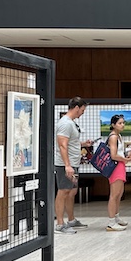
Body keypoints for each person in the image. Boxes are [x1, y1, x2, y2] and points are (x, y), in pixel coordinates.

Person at [54, 97, 92, 234]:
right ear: (76, 108)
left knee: (72, 191)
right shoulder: (65, 123)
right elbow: (62, 145)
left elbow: (70, 142)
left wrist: (83, 144)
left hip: (73, 164)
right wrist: (67, 166)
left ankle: (71, 220)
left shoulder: (71, 123)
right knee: (63, 191)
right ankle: (59, 224)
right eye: (82, 110)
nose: (82, 113)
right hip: (66, 165)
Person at [105, 114, 131, 231]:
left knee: (119, 193)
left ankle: (116, 217)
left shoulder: (119, 136)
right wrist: (125, 159)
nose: (122, 125)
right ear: (113, 125)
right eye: (120, 123)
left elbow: (119, 152)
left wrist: (126, 156)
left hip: (120, 166)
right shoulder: (113, 137)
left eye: (123, 123)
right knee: (114, 194)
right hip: (116, 167)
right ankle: (111, 222)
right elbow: (113, 155)